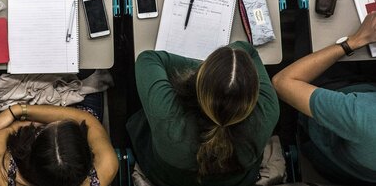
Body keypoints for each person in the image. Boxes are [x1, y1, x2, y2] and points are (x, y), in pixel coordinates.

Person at [127, 43, 279, 186]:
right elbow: (247, 50)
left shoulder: (168, 116)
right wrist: (218, 74)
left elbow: (148, 58)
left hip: (164, 179)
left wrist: (208, 68)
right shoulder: (267, 111)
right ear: (254, 96)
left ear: (200, 81)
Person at [272, 12, 376, 186]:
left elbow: (282, 82)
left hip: (318, 124)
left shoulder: (364, 115)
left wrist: (353, 41)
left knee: (313, 24)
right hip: (355, 162)